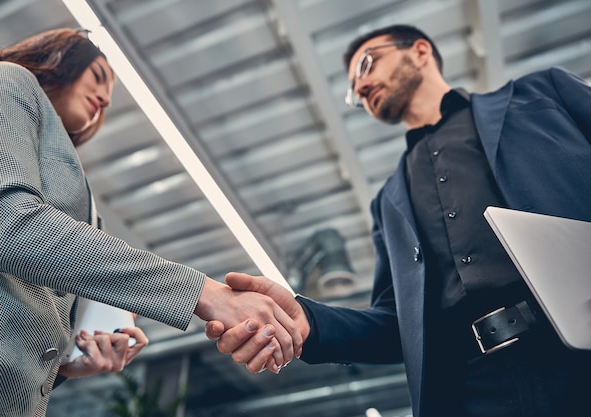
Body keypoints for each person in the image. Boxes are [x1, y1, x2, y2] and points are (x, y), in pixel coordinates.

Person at [206, 24, 591, 417]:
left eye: (367, 64)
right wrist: (310, 321)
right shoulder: (388, 202)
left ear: (420, 51)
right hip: (472, 392)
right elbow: (398, 324)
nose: (359, 88)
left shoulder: (542, 94)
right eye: (352, 88)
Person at [0, 28, 301, 417]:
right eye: (98, 76)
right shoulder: (3, 79)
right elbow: (11, 230)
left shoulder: (72, 181)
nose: (105, 98)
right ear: (58, 59)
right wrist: (205, 294)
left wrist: (67, 366)